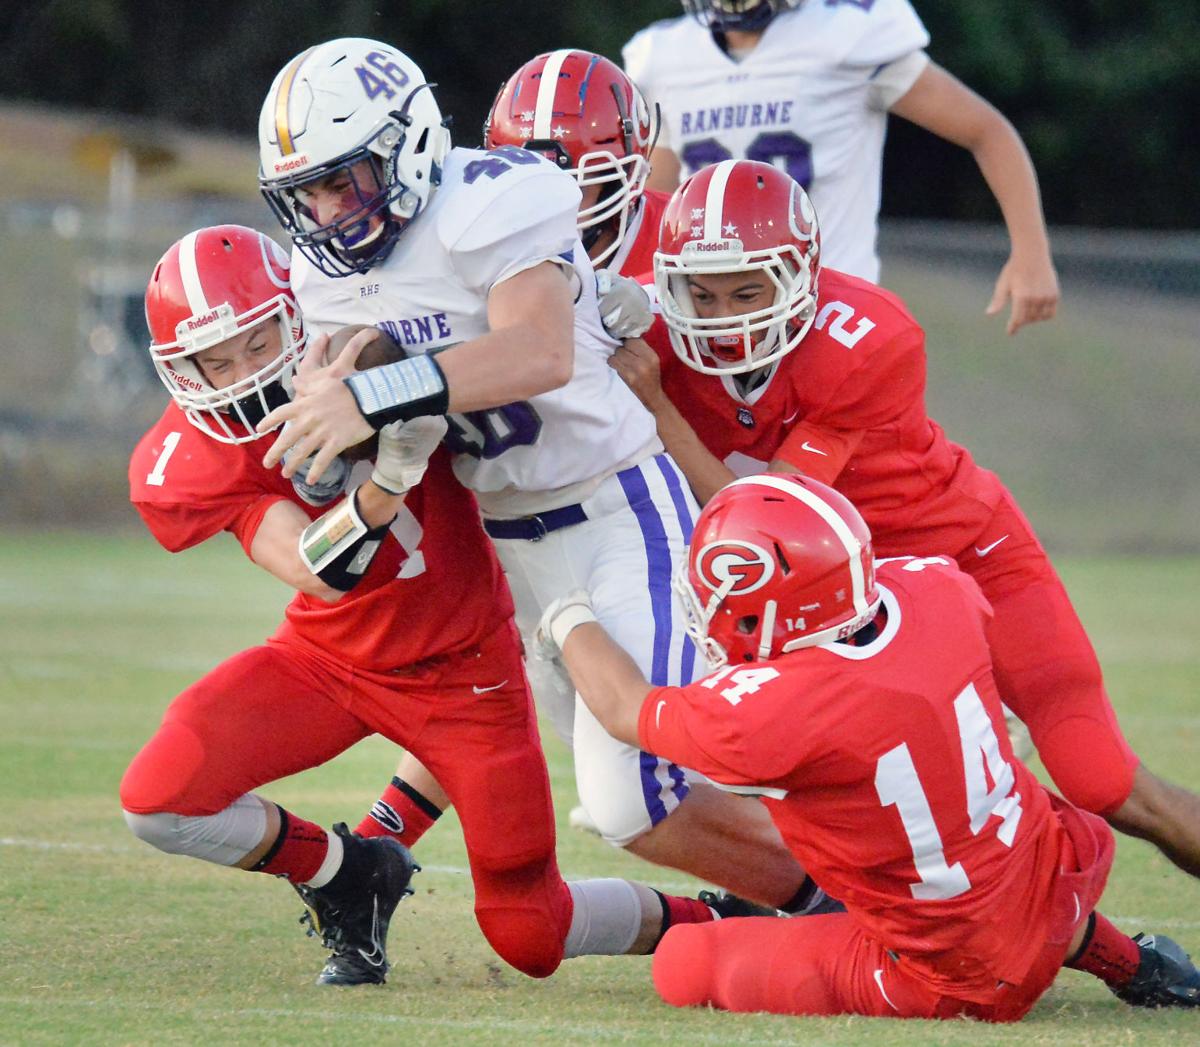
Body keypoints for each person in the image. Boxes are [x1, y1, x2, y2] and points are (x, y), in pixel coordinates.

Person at [253, 38, 818, 914]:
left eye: (347, 182)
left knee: (637, 796)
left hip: (618, 509)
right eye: (309, 193)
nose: (327, 214)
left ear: (406, 149)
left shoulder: (492, 200)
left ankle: (872, 879)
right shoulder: (324, 274)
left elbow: (540, 352)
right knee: (631, 799)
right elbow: (373, 379)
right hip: (511, 549)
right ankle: (823, 905)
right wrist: (341, 413)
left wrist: (373, 392)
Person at [120, 224, 738, 989]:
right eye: (212, 361)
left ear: (297, 314)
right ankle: (348, 873)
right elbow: (318, 568)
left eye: (256, 342)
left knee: (529, 934)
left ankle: (723, 919)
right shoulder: (188, 453)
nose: (240, 374)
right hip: (327, 656)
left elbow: (516, 322)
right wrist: (391, 478)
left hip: (465, 670)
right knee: (158, 798)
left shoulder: (377, 348)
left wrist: (598, 297)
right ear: (178, 370)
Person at [609, 158, 1200, 880]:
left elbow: (774, 520)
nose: (723, 316)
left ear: (799, 275)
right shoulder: (650, 326)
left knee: (1100, 776)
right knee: (817, 786)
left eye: (745, 291)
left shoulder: (866, 338)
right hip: (830, 602)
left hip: (957, 556)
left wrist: (659, 410)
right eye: (700, 293)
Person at [536, 472, 1200, 1018]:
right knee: (997, 885)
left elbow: (627, 708)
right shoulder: (937, 586)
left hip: (952, 966)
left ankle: (735, 912)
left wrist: (567, 617)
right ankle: (1139, 962)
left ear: (776, 607)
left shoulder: (774, 710)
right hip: (1043, 862)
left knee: (688, 965)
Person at [623, 0, 1059, 334]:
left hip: (832, 315)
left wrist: (1031, 254)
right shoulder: (663, 56)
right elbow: (661, 207)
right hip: (713, 318)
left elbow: (987, 132)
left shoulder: (849, 31)